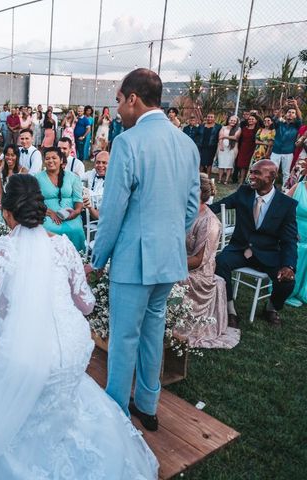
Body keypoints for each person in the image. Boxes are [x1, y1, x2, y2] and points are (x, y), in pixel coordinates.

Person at [0, 174, 158, 479]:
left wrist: (19, 320)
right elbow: (87, 305)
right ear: (40, 209)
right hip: (71, 351)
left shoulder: (2, 250)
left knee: (6, 375)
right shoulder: (65, 246)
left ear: (6, 211)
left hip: (25, 357)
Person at [91, 69, 200, 429]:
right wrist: (166, 235)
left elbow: (112, 211)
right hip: (168, 260)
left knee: (123, 337)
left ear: (133, 98)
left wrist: (98, 258)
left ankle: (116, 412)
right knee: (153, 330)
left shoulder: (127, 142)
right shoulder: (188, 144)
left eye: (120, 101)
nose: (118, 109)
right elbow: (190, 208)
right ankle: (148, 406)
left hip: (133, 261)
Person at [209, 160, 297, 327]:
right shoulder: (244, 192)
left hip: (268, 253)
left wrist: (289, 266)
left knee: (287, 282)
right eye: (252, 172)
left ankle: (271, 308)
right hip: (240, 248)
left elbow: (289, 240)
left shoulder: (286, 205)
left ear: (271, 176)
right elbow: (219, 205)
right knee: (220, 263)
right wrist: (199, 209)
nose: (252, 176)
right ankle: (230, 310)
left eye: (257, 173)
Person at [176, 174, 240, 349]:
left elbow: (198, 261)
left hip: (197, 273)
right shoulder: (183, 212)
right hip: (176, 259)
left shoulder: (210, 222)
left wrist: (169, 263)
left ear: (200, 193)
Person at [35, 147, 85, 251]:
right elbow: (34, 201)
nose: (50, 161)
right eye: (47, 158)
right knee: (49, 229)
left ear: (61, 160)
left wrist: (76, 212)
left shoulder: (73, 177)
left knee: (77, 230)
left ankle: (78, 259)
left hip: (70, 215)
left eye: (54, 158)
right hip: (46, 213)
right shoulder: (37, 178)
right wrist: (50, 213)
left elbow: (78, 199)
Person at [285, 160, 307, 307]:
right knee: (300, 249)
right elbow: (282, 208)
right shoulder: (298, 187)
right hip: (294, 231)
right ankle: (288, 288)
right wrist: (290, 229)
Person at [271, 99, 302, 187]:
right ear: (285, 114)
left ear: (295, 116)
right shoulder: (279, 124)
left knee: (286, 172)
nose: (290, 114)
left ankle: (285, 190)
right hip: (276, 151)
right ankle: (269, 188)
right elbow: (275, 118)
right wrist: (283, 107)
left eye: (293, 113)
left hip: (288, 152)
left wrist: (296, 105)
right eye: (289, 112)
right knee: (272, 171)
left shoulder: (296, 125)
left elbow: (300, 118)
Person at [0, 144, 28, 210]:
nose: (9, 157)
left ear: (17, 156)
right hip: (5, 202)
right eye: (7, 155)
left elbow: (25, 193)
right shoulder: (1, 170)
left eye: (13, 155)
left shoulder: (23, 171)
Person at [83, 151, 109, 220]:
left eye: (104, 163)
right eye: (98, 162)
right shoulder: (93, 173)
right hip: (88, 211)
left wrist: (85, 191)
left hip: (104, 216)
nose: (100, 165)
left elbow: (97, 197)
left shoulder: (114, 179)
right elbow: (78, 178)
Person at [235, 114, 258, 185]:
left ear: (256, 121)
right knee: (242, 165)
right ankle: (241, 181)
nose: (250, 120)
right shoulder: (244, 128)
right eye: (249, 119)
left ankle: (248, 180)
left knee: (250, 165)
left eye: (252, 119)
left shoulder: (258, 129)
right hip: (243, 147)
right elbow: (238, 138)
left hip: (253, 148)